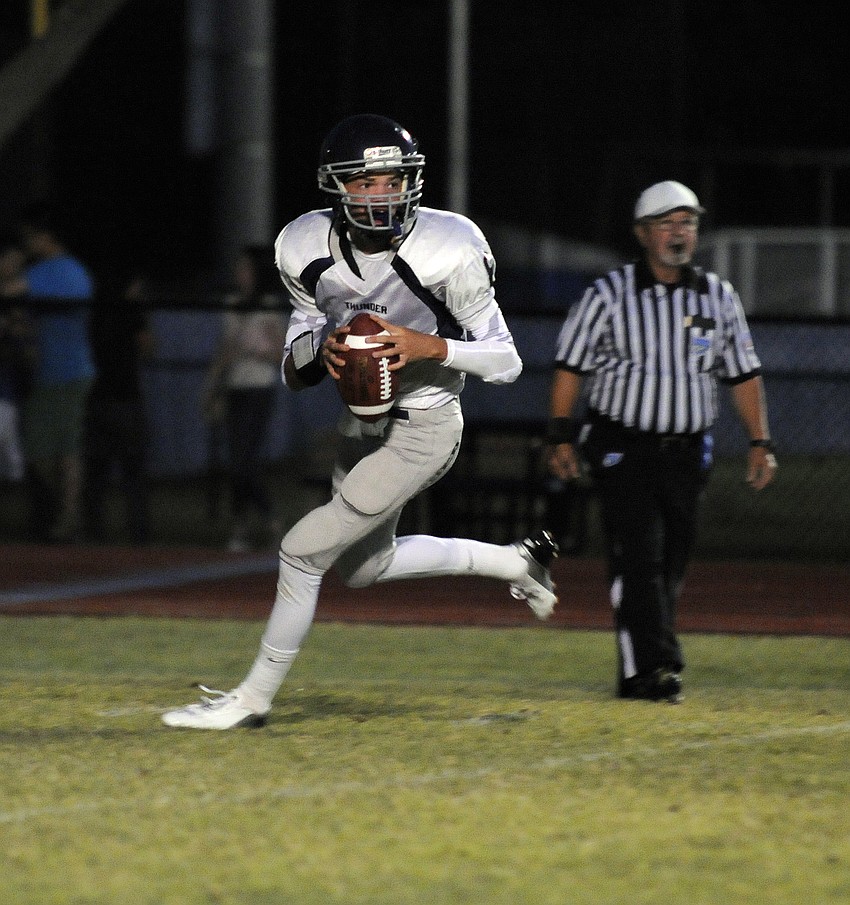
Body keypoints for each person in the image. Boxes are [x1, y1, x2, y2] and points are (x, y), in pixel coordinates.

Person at [162, 113, 560, 729]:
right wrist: (321, 351)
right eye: (364, 183)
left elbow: (506, 359)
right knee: (364, 566)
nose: (381, 195)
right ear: (337, 189)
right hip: (363, 424)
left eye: (392, 180)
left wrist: (428, 346)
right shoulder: (303, 246)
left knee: (300, 552)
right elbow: (298, 356)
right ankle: (515, 562)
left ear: (413, 181)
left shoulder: (447, 247)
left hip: (427, 425)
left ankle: (251, 700)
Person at [546, 180, 777, 703]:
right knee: (640, 559)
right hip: (621, 444)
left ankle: (643, 665)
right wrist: (560, 436)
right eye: (668, 223)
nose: (680, 233)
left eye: (688, 222)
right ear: (642, 233)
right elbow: (569, 368)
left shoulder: (718, 296)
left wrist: (760, 441)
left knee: (669, 562)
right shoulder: (608, 294)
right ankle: (653, 669)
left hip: (688, 449)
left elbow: (743, 374)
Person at [16, 202, 97, 542]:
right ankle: (66, 511)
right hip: (48, 373)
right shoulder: (47, 271)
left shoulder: (64, 270)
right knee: (40, 450)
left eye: (29, 237)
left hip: (69, 372)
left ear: (43, 236)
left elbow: (12, 290)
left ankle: (69, 516)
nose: (25, 244)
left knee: (65, 448)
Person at [202, 245, 287, 551]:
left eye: (245, 270)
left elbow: (280, 353)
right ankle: (243, 526)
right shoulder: (232, 304)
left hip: (259, 387)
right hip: (235, 386)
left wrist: (261, 349)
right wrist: (212, 387)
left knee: (246, 459)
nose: (240, 275)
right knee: (236, 458)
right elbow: (224, 350)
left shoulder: (268, 306)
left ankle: (267, 520)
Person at [82, 271, 156, 545]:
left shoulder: (96, 312)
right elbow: (148, 348)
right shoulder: (132, 312)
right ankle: (138, 534)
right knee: (134, 473)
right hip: (126, 398)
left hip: (98, 397)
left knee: (97, 472)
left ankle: (94, 531)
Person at [0, 236, 33, 484]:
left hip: (12, 377)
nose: (13, 266)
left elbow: (25, 333)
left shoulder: (24, 293)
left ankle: (17, 480)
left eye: (17, 262)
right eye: (9, 261)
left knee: (8, 434)